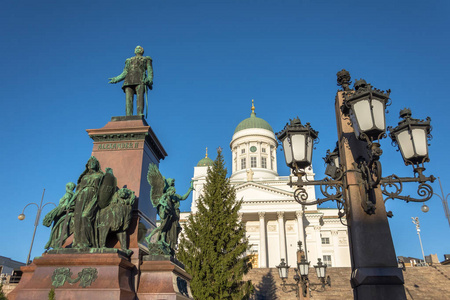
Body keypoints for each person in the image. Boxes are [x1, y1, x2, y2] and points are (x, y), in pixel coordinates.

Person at [109, 46, 153, 116]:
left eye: (139, 48)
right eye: (136, 49)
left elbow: (150, 71)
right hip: (129, 80)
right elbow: (125, 72)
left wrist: (149, 80)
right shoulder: (129, 60)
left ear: (142, 51)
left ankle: (139, 113)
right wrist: (116, 79)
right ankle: (128, 115)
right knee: (128, 99)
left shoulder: (146, 59)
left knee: (140, 97)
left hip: (141, 80)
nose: (137, 49)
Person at [72, 157, 104, 248]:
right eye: (90, 162)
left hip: (93, 196)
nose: (91, 163)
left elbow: (104, 189)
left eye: (93, 162)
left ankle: (87, 242)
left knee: (85, 216)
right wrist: (70, 202)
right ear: (87, 165)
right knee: (78, 219)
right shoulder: (84, 177)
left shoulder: (100, 175)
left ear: (97, 164)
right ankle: (77, 242)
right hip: (81, 197)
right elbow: (78, 190)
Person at [43, 182, 76, 249]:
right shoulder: (73, 195)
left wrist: (55, 212)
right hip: (64, 215)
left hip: (63, 215)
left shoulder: (68, 194)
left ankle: (57, 244)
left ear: (68, 187)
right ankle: (57, 244)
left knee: (61, 232)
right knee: (62, 232)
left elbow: (65, 205)